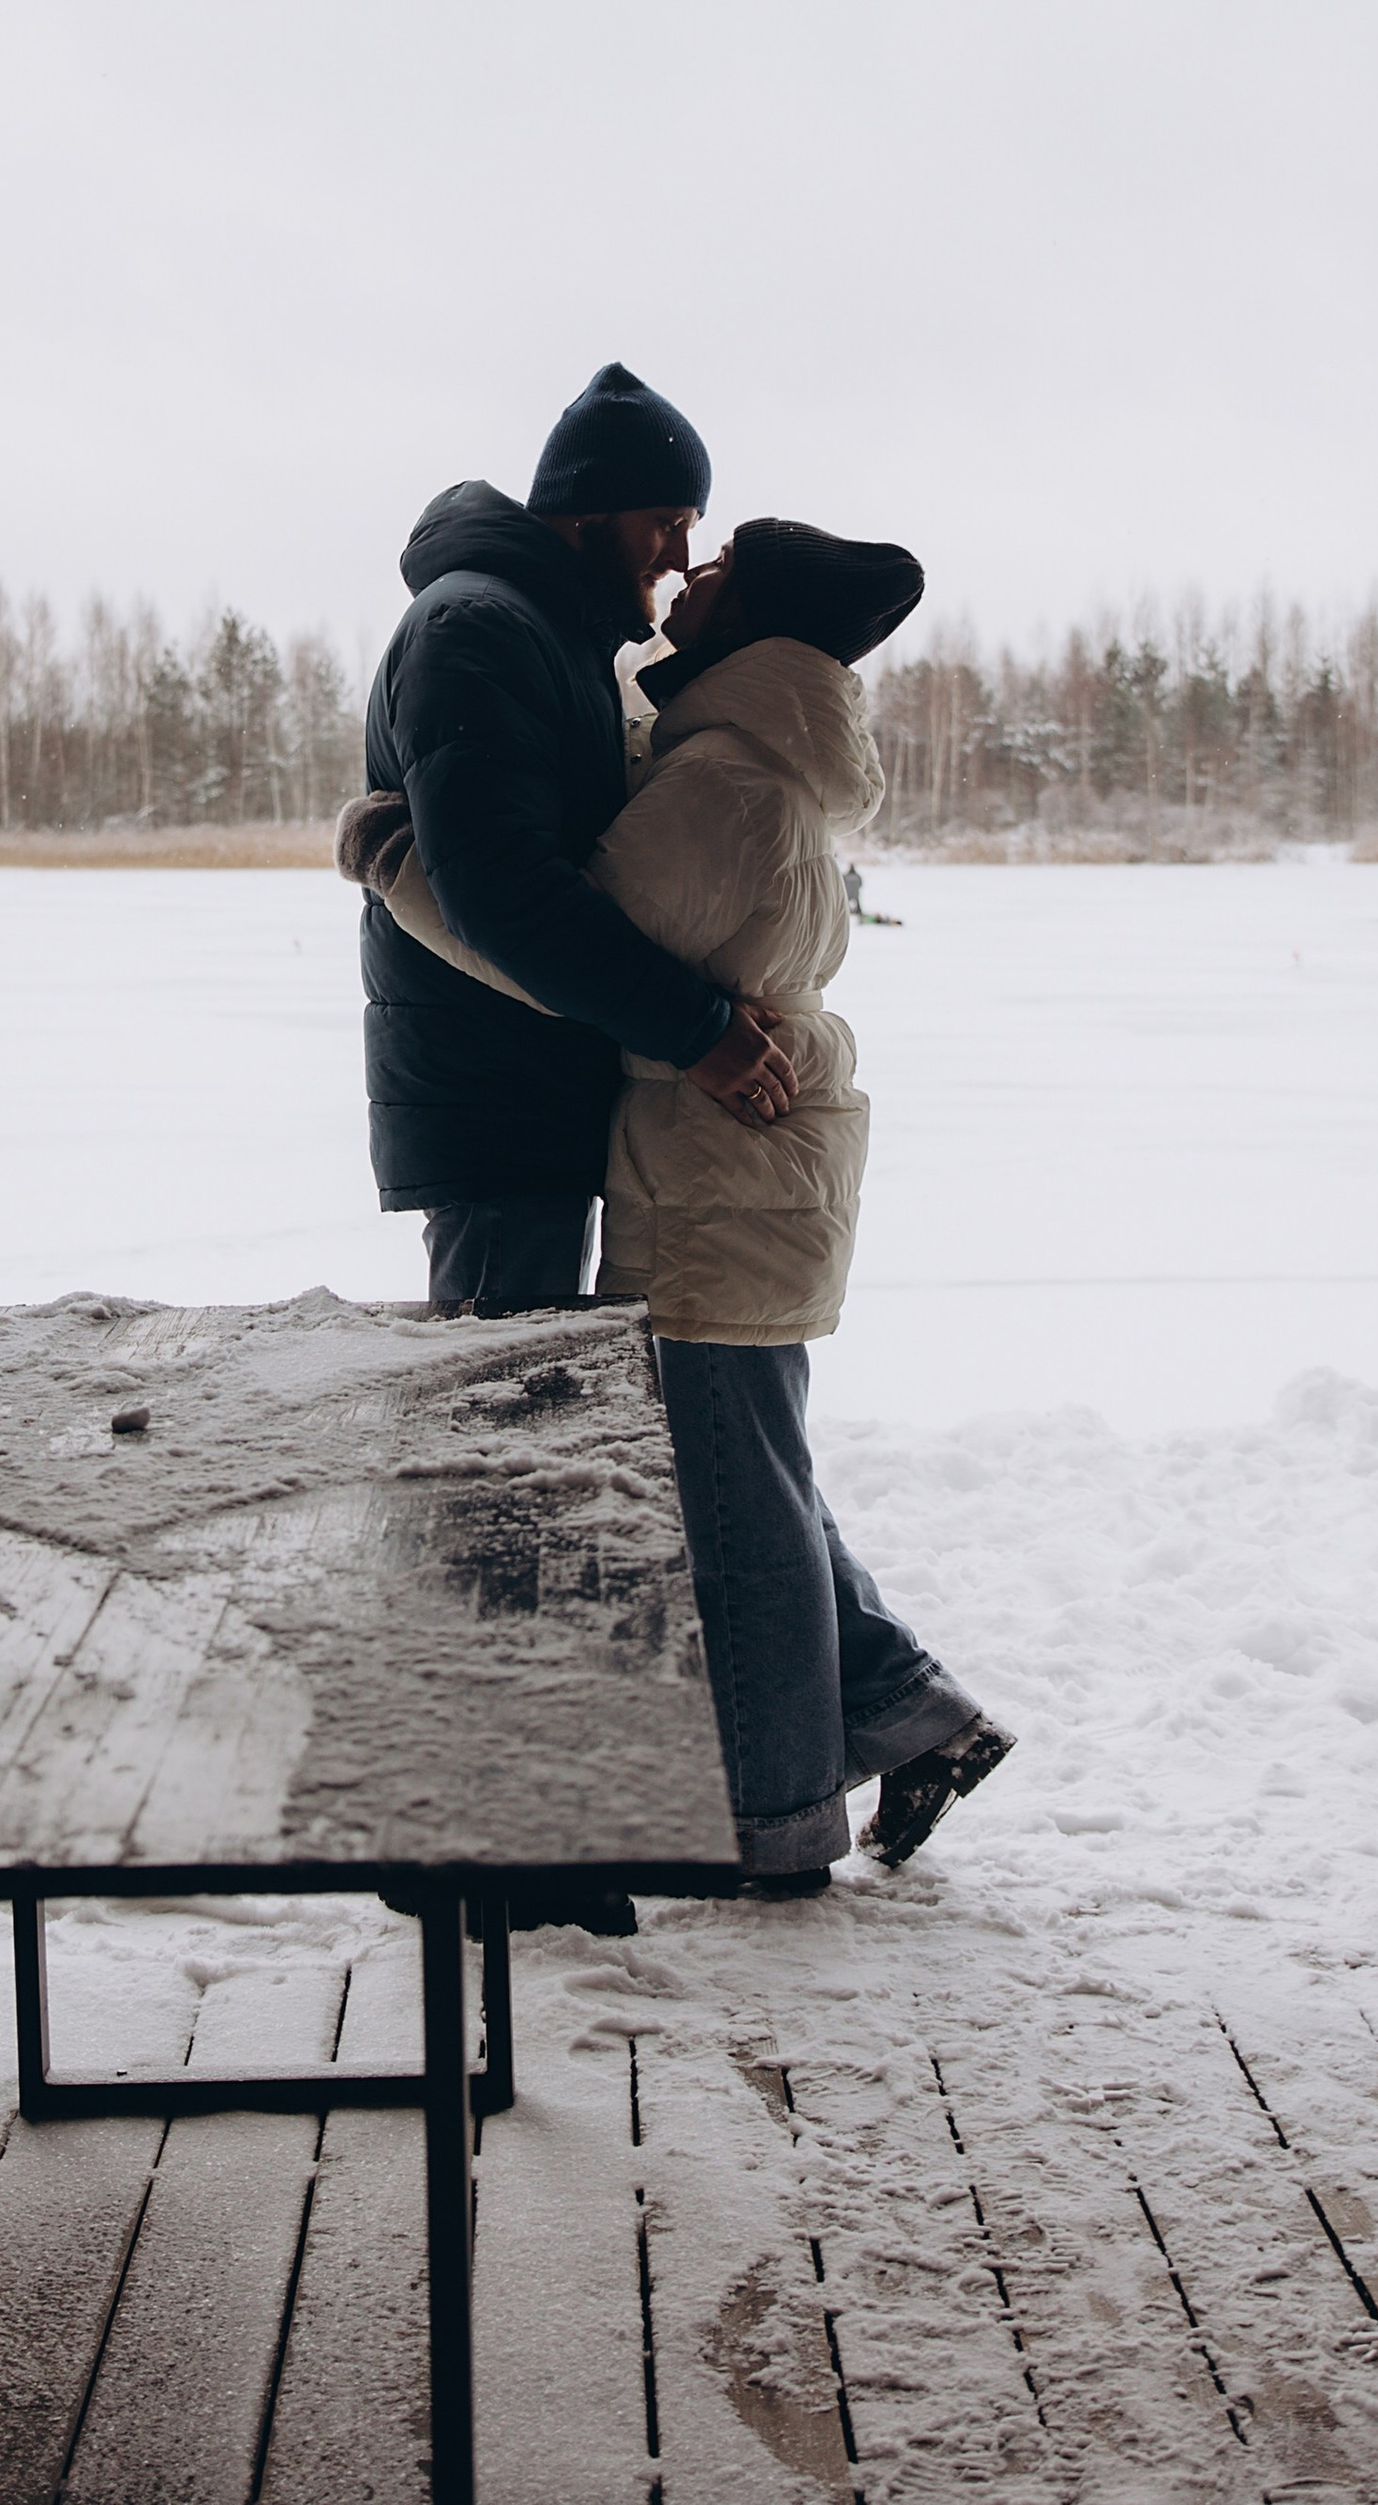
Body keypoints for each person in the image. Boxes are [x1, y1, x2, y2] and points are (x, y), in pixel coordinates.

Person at [348, 515, 1013, 1893]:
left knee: (727, 1499)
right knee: (743, 1468)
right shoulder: (744, 760)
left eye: (718, 575)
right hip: (740, 1177)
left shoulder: (724, 785)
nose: (686, 578)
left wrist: (393, 856)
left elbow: (560, 942)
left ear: (757, 627)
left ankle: (773, 1820)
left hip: (722, 1180)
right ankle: (903, 1711)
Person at [355, 364, 801, 1316]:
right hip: (495, 1103)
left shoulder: (551, 635)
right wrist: (698, 1033)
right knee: (497, 1396)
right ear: (588, 510)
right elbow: (503, 891)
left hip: (533, 1092)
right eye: (666, 521)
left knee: (525, 1387)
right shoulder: (476, 629)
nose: (681, 555)